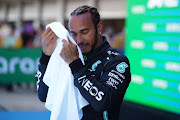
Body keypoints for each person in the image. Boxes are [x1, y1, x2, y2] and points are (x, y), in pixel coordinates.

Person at [35, 5, 131, 120]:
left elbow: (102, 102)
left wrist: (75, 65)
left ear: (99, 27)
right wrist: (46, 57)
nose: (79, 40)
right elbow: (43, 95)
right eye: (74, 34)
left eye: (84, 32)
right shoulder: (69, 56)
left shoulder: (117, 61)